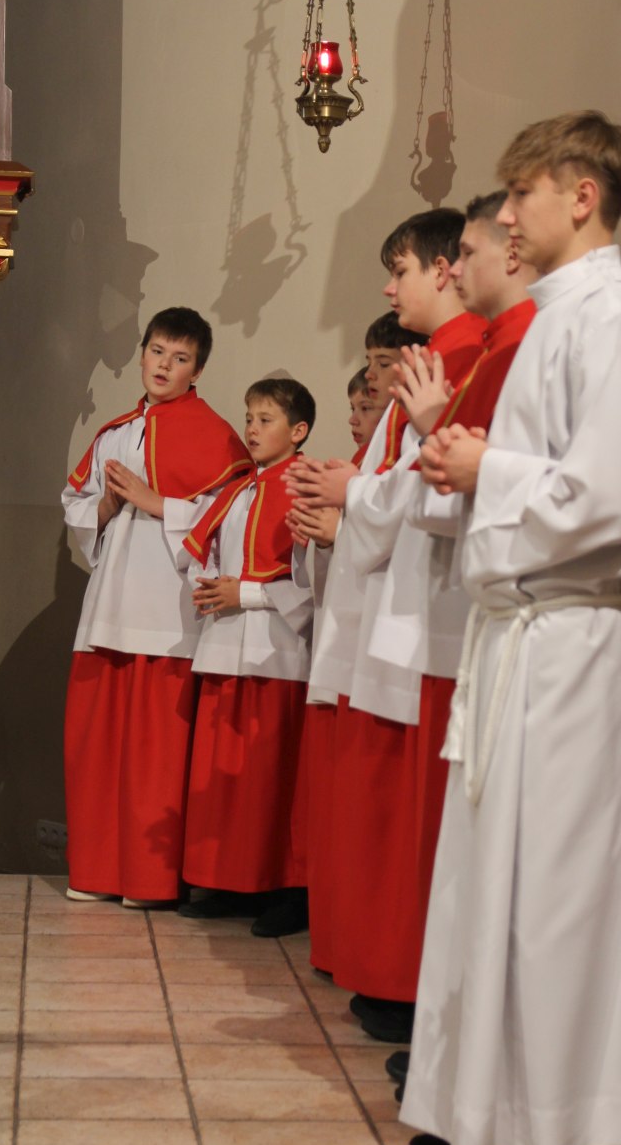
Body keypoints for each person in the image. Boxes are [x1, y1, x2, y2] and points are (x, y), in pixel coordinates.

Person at [401, 111, 621, 1145]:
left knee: (560, 897)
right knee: (498, 888)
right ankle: (484, 1111)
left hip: (576, 641)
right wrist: (477, 465)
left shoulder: (615, 322)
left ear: (581, 195)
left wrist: (490, 469)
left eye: (521, 193)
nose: (507, 216)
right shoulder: (561, 316)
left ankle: (558, 1142)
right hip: (527, 638)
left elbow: (611, 499)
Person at [292, 210, 486, 1040]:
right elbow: (406, 476)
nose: (387, 285)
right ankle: (385, 969)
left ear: (444, 268)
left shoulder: (469, 356)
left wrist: (353, 497)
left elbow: (437, 485)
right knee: (386, 817)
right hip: (396, 609)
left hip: (431, 616)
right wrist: (354, 488)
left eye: (398, 268)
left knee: (413, 821)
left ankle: (408, 983)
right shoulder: (436, 358)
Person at [370, 191, 536, 1092]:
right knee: (471, 856)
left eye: (465, 252)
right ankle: (460, 1053)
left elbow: (592, 498)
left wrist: (437, 436)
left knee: (505, 865)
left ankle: (505, 1082)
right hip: (498, 621)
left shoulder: (539, 338)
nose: (456, 268)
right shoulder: (498, 344)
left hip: (541, 627)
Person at [61, 307, 250, 907]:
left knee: (155, 755)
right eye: (158, 352)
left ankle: (148, 881)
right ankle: (95, 872)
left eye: (181, 358)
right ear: (142, 353)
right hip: (107, 605)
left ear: (198, 371)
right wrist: (108, 508)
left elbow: (232, 519)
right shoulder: (114, 433)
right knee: (96, 747)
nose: (165, 366)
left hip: (167, 612)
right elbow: (76, 502)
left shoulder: (216, 435)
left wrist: (156, 502)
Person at [177, 377, 316, 937]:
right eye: (249, 418)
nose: (252, 430)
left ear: (298, 431)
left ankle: (281, 890)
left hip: (275, 653)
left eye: (266, 420)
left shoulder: (305, 488)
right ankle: (228, 883)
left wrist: (248, 593)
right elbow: (204, 550)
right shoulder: (238, 491)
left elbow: (313, 584)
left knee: (268, 777)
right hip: (224, 648)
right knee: (224, 779)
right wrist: (211, 581)